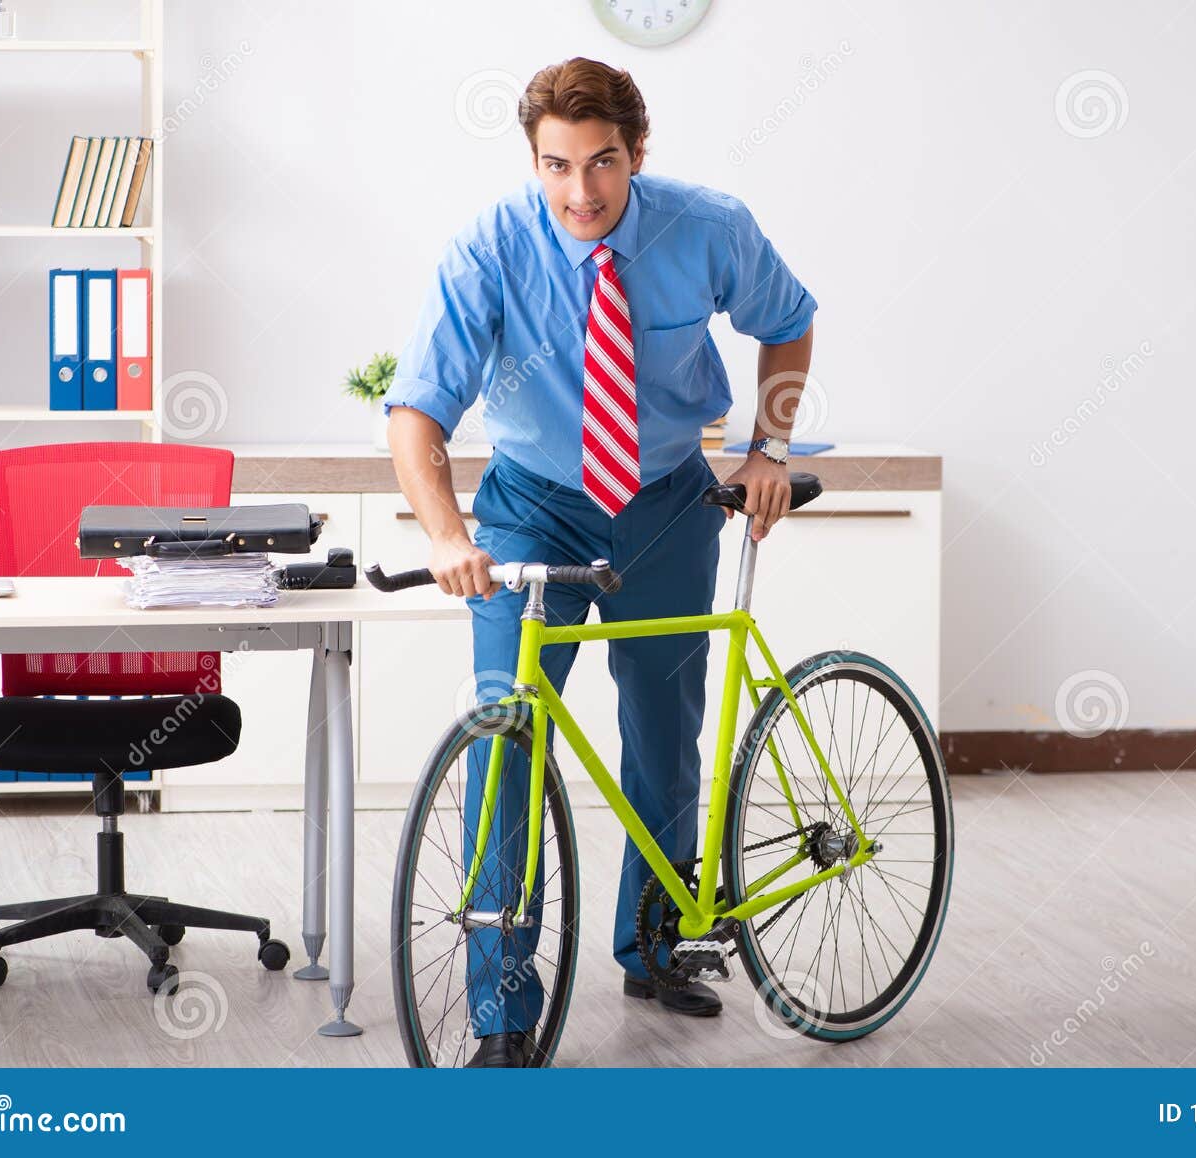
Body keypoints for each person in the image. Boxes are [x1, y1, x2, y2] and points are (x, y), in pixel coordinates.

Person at [385, 56, 815, 1067]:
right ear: (533, 162)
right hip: (533, 506)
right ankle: (501, 1011)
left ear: (636, 153)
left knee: (662, 733)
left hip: (666, 500)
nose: (580, 192)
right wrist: (448, 536)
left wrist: (771, 446)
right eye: (557, 166)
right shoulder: (490, 249)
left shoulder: (707, 227)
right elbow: (417, 412)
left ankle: (655, 943)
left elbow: (788, 322)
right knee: (505, 739)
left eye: (603, 163)